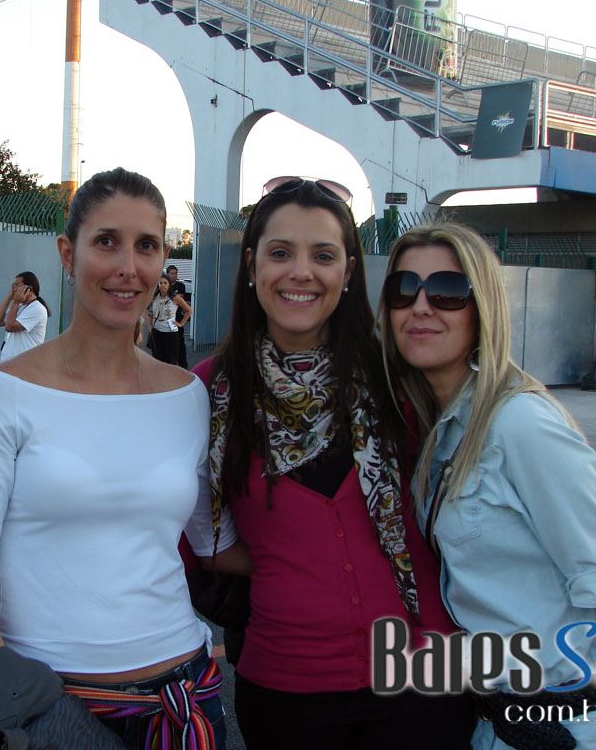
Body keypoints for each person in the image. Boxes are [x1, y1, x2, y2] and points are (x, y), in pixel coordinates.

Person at [0, 168, 248, 750]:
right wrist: (31, 718)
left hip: (185, 700)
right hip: (51, 703)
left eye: (147, 246)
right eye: (106, 241)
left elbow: (214, 544)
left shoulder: (187, 396)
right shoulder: (3, 395)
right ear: (67, 253)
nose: (127, 266)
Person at [191, 177, 475, 749]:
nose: (301, 272)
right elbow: (194, 531)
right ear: (251, 267)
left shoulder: (404, 382)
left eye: (323, 255)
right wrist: (286, 564)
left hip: (427, 677)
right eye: (280, 253)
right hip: (288, 688)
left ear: (348, 272)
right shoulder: (208, 392)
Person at [380, 221, 596, 750]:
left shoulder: (521, 423)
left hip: (574, 724)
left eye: (448, 291)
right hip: (501, 721)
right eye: (404, 289)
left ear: (483, 309)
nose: (421, 306)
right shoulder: (445, 427)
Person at [0, 270, 50, 361]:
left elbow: (10, 327)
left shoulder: (37, 309)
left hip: (24, 363)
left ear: (28, 288)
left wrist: (15, 301)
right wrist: (9, 297)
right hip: (8, 361)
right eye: (13, 286)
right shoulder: (19, 307)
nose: (14, 289)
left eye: (17, 286)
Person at [148, 274, 191, 365]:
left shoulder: (175, 298)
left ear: (169, 285)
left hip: (170, 334)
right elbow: (150, 313)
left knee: (171, 362)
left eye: (165, 283)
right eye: (161, 283)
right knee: (157, 361)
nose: (163, 285)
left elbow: (189, 311)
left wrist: (181, 323)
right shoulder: (154, 298)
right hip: (156, 332)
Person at [166, 264, 190, 367]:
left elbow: (180, 298)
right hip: (166, 319)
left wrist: (169, 296)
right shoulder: (164, 285)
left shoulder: (181, 286)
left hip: (178, 319)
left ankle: (183, 365)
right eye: (172, 273)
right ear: (167, 274)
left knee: (180, 342)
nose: (174, 275)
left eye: (176, 273)